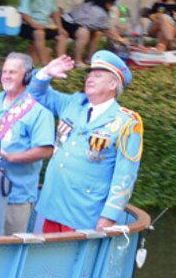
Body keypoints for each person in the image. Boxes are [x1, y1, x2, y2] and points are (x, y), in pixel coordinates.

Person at [28, 51, 142, 234]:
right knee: (45, 261)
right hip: (52, 204)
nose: (90, 79)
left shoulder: (127, 122)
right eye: (89, 74)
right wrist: (47, 72)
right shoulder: (73, 103)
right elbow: (36, 92)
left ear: (113, 84)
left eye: (97, 75)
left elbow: (125, 175)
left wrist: (109, 215)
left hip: (84, 211)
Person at [0, 52, 56, 235]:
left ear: (27, 77)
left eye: (13, 72)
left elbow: (46, 150)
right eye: (4, 71)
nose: (6, 76)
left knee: (8, 250)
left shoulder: (38, 111)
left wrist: (12, 157)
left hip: (14, 195)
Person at [58, 0, 122, 63]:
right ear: (107, 3)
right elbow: (107, 30)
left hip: (79, 25)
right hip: (68, 22)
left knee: (97, 33)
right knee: (84, 33)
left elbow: (102, 28)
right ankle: (78, 61)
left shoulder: (94, 4)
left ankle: (90, 58)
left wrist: (118, 37)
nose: (112, 7)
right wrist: (120, 39)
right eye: (112, 4)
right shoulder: (98, 11)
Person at [17, 0, 64, 64]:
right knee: (39, 33)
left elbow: (55, 12)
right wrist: (34, 25)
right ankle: (44, 64)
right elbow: (24, 14)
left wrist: (60, 27)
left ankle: (60, 64)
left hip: (44, 25)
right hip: (27, 24)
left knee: (61, 36)